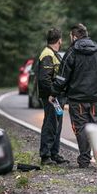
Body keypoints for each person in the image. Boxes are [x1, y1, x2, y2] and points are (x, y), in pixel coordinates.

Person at [50, 23, 97, 168]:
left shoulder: (71, 52)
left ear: (74, 36)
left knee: (80, 128)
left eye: (70, 36)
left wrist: (54, 93)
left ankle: (84, 160)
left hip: (77, 100)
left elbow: (62, 78)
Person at [37, 28, 69, 165]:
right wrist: (52, 93)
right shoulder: (48, 55)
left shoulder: (53, 54)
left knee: (57, 125)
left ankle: (54, 154)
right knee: (50, 125)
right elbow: (44, 79)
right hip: (51, 97)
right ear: (59, 40)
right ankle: (45, 155)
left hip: (56, 97)